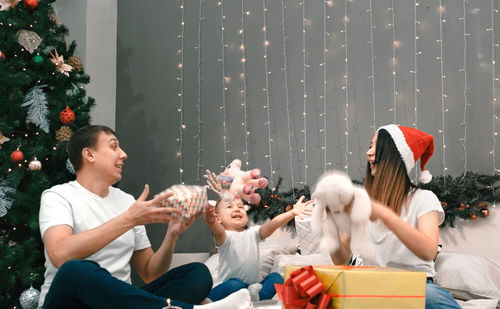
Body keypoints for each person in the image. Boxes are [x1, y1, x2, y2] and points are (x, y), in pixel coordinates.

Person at [38, 125, 251, 309]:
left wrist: (172, 235)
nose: (123, 154)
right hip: (69, 303)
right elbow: (60, 254)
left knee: (198, 274)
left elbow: (150, 273)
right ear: (89, 155)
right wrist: (129, 219)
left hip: (120, 305)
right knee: (76, 270)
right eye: (113, 147)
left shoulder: (126, 202)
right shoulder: (58, 196)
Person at [330, 124, 461, 309]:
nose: (369, 152)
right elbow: (340, 260)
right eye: (370, 146)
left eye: (376, 147)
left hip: (416, 285)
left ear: (395, 156)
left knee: (430, 296)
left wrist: (384, 213)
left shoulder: (424, 199)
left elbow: (428, 251)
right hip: (372, 286)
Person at [203, 194, 313, 302]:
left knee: (276, 277)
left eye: (240, 207)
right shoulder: (224, 237)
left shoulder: (253, 234)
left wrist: (292, 213)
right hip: (231, 286)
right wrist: (210, 220)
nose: (237, 209)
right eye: (229, 206)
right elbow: (216, 230)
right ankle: (206, 302)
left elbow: (272, 225)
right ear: (218, 219)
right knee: (236, 284)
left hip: (252, 287)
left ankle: (257, 299)